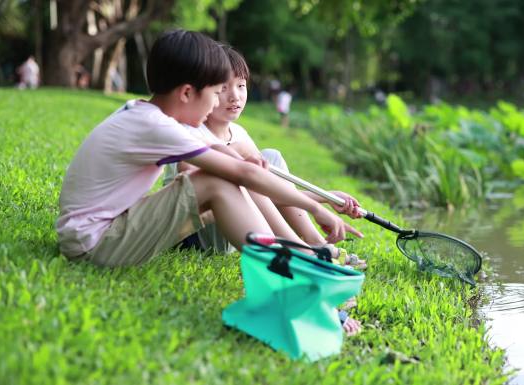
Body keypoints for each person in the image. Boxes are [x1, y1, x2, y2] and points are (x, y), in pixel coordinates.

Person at [56, 29, 358, 272]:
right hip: (94, 244)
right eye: (216, 93)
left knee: (226, 175)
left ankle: (297, 257)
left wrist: (318, 197)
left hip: (98, 235)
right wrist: (317, 208)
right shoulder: (156, 126)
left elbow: (237, 163)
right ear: (187, 93)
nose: (217, 103)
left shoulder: (153, 117)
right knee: (216, 180)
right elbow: (241, 173)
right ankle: (293, 268)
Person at [164, 47, 367, 269]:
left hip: (237, 225)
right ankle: (304, 252)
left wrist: (325, 197)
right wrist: (314, 205)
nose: (235, 96)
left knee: (270, 158)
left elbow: (267, 193)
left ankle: (314, 243)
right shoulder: (191, 131)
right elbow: (199, 188)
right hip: (198, 235)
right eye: (223, 88)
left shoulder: (239, 134)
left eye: (241, 86)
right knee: (247, 171)